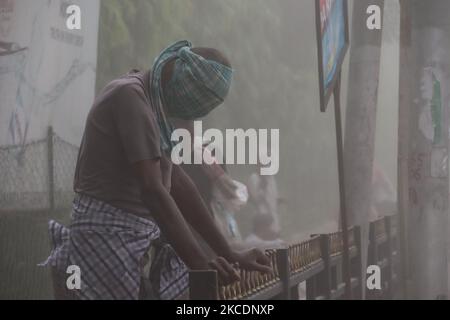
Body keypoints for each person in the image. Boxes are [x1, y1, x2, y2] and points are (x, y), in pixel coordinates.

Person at [42, 40, 271, 300]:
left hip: (130, 244)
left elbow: (179, 184)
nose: (184, 118)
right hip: (104, 242)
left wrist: (228, 253)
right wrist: (199, 264)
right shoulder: (130, 97)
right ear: (179, 81)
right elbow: (154, 190)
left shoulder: (153, 109)